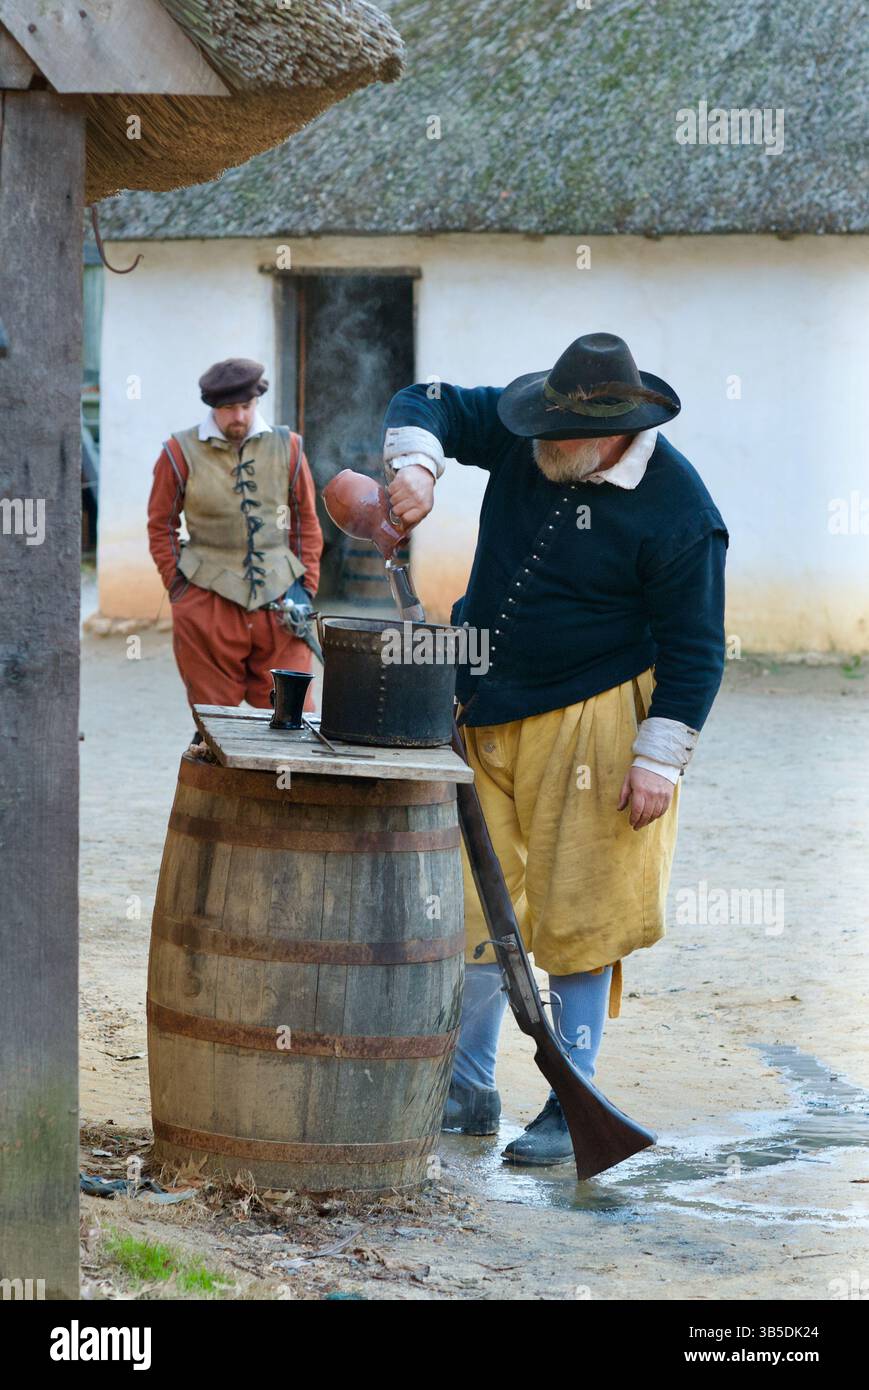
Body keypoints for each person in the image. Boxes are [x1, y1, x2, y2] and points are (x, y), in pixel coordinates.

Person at [382, 332, 728, 1165]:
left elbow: (696, 647)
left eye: (557, 438)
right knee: (466, 903)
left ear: (611, 431)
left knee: (582, 909)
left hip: (597, 718)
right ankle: (463, 1086)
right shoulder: (527, 425)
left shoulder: (680, 510)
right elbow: (426, 399)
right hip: (480, 699)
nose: (536, 446)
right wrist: (418, 468)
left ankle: (569, 1099)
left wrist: (657, 762)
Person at [147, 358, 323, 719]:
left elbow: (305, 521)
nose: (238, 417)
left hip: (281, 602)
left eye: (246, 406)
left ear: (257, 402)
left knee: (291, 721)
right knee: (215, 724)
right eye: (228, 408)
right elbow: (160, 524)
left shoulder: (288, 447)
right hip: (207, 599)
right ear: (213, 407)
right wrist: (179, 590)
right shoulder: (178, 452)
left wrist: (306, 586)